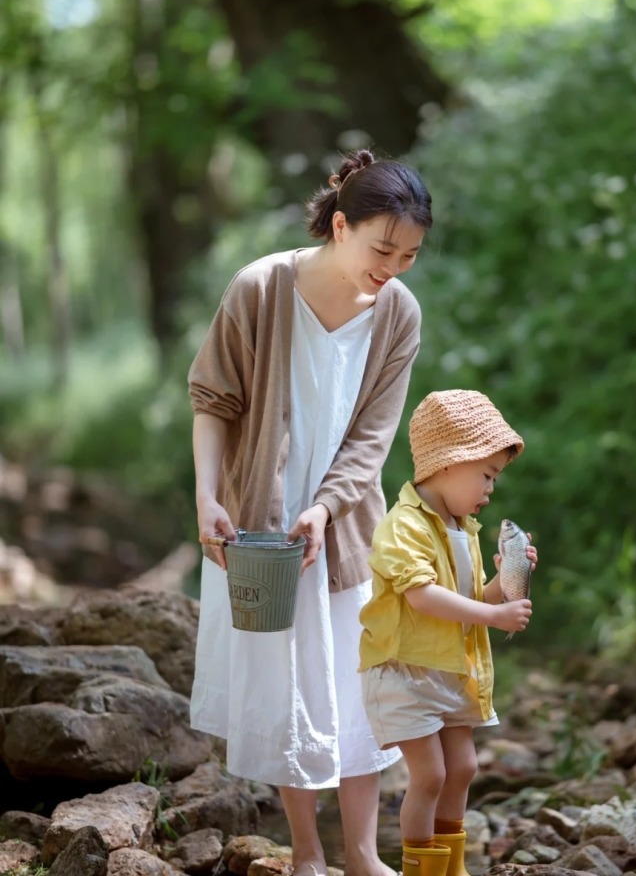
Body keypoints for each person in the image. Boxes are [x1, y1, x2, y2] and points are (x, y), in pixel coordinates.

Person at [188, 147, 433, 876]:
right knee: (288, 683)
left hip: (348, 524)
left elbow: (372, 438)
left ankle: (361, 854)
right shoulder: (261, 288)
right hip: (259, 528)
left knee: (360, 688)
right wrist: (207, 495)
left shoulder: (397, 314)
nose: (392, 266)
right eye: (382, 248)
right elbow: (213, 401)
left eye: (411, 255)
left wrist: (326, 508)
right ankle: (306, 854)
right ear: (338, 226)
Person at [358, 389, 537, 876]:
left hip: (453, 669)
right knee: (431, 773)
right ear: (446, 464)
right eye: (486, 475)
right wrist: (494, 617)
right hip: (406, 672)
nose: (490, 490)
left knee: (463, 768)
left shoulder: (466, 529)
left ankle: (450, 867)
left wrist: (502, 586)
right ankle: (420, 867)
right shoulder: (403, 526)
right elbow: (422, 596)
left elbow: (469, 600)